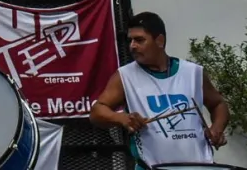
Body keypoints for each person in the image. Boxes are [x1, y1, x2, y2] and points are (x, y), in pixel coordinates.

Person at [90, 12, 230, 169]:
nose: (132, 46)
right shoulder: (125, 76)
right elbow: (97, 111)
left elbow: (218, 104)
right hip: (151, 166)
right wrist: (122, 118)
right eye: (130, 40)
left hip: (199, 166)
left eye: (139, 40)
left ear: (160, 41)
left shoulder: (193, 72)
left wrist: (216, 130)